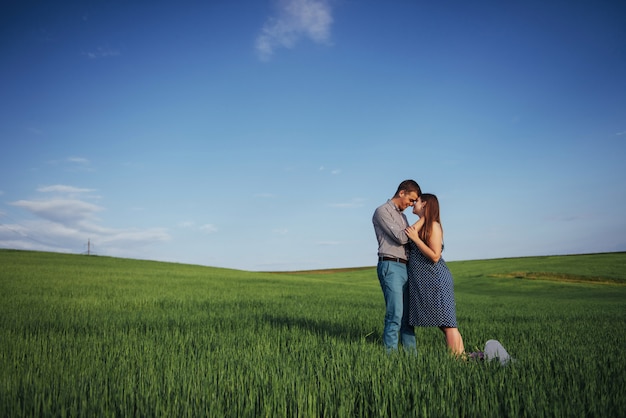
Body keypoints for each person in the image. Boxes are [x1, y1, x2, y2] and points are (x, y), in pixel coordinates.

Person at [405, 193, 465, 356]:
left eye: (416, 201)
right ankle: (462, 357)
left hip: (436, 279)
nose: (412, 204)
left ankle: (458, 360)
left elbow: (435, 255)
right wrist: (423, 218)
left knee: (447, 323)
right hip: (425, 280)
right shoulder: (425, 224)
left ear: (424, 204)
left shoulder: (434, 226)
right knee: (442, 322)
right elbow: (408, 233)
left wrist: (417, 240)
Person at [372, 179, 422, 351]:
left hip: (406, 267)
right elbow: (401, 237)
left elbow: (411, 242)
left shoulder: (404, 216)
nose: (411, 204)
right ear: (402, 193)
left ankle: (411, 359)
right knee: (395, 314)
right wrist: (423, 219)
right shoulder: (382, 211)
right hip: (390, 266)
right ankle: (390, 359)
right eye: (410, 199)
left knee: (408, 318)